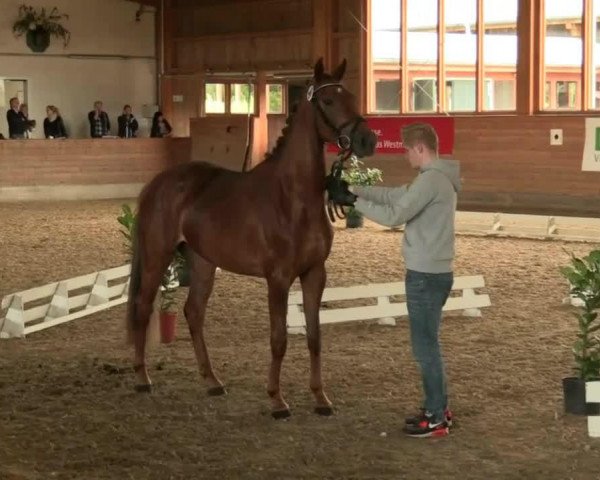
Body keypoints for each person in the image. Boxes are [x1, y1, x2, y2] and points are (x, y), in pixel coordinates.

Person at [330, 122, 461, 438]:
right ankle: (437, 408)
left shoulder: (431, 182)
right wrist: (354, 188)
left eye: (406, 150)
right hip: (434, 272)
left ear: (419, 148)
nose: (405, 156)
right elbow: (394, 195)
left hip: (425, 276)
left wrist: (351, 201)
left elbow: (393, 216)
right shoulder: (435, 179)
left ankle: (435, 417)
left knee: (425, 347)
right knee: (428, 344)